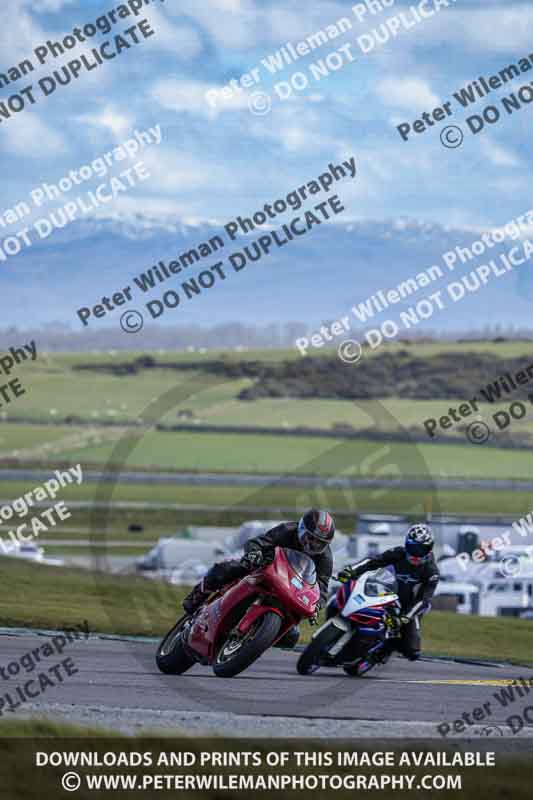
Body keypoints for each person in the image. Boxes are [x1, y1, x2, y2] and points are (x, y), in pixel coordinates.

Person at [182, 510, 336, 645]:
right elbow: (257, 542)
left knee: (291, 636)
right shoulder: (287, 530)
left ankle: (253, 639)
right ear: (302, 529)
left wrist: (316, 606)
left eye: (319, 542)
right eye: (311, 538)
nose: (313, 544)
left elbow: (322, 587)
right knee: (226, 569)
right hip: (265, 566)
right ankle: (197, 596)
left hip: (292, 588)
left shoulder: (325, 557)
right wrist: (254, 554)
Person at [337, 523, 439, 661]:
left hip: (410, 608)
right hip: (387, 595)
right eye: (412, 548)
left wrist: (405, 617)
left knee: (412, 652)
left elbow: (423, 600)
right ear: (406, 545)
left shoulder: (431, 572)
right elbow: (373, 561)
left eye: (422, 549)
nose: (416, 554)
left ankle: (386, 649)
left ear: (429, 549)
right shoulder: (399, 553)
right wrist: (352, 570)